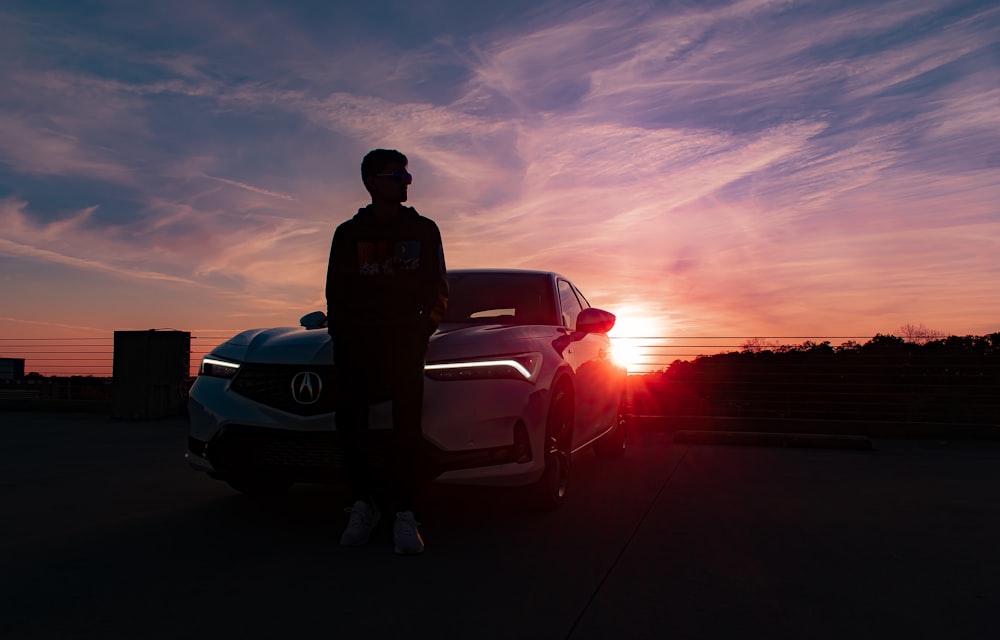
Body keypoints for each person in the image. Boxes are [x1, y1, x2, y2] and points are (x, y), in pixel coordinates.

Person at [325, 149, 448, 555]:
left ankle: (404, 514)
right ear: (373, 181)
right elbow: (336, 295)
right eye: (397, 175)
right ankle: (364, 505)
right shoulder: (348, 234)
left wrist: (421, 329)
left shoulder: (425, 231)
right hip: (357, 348)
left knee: (405, 432)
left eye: (407, 175)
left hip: (405, 347)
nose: (406, 182)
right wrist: (344, 338)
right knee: (353, 429)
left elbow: (438, 289)